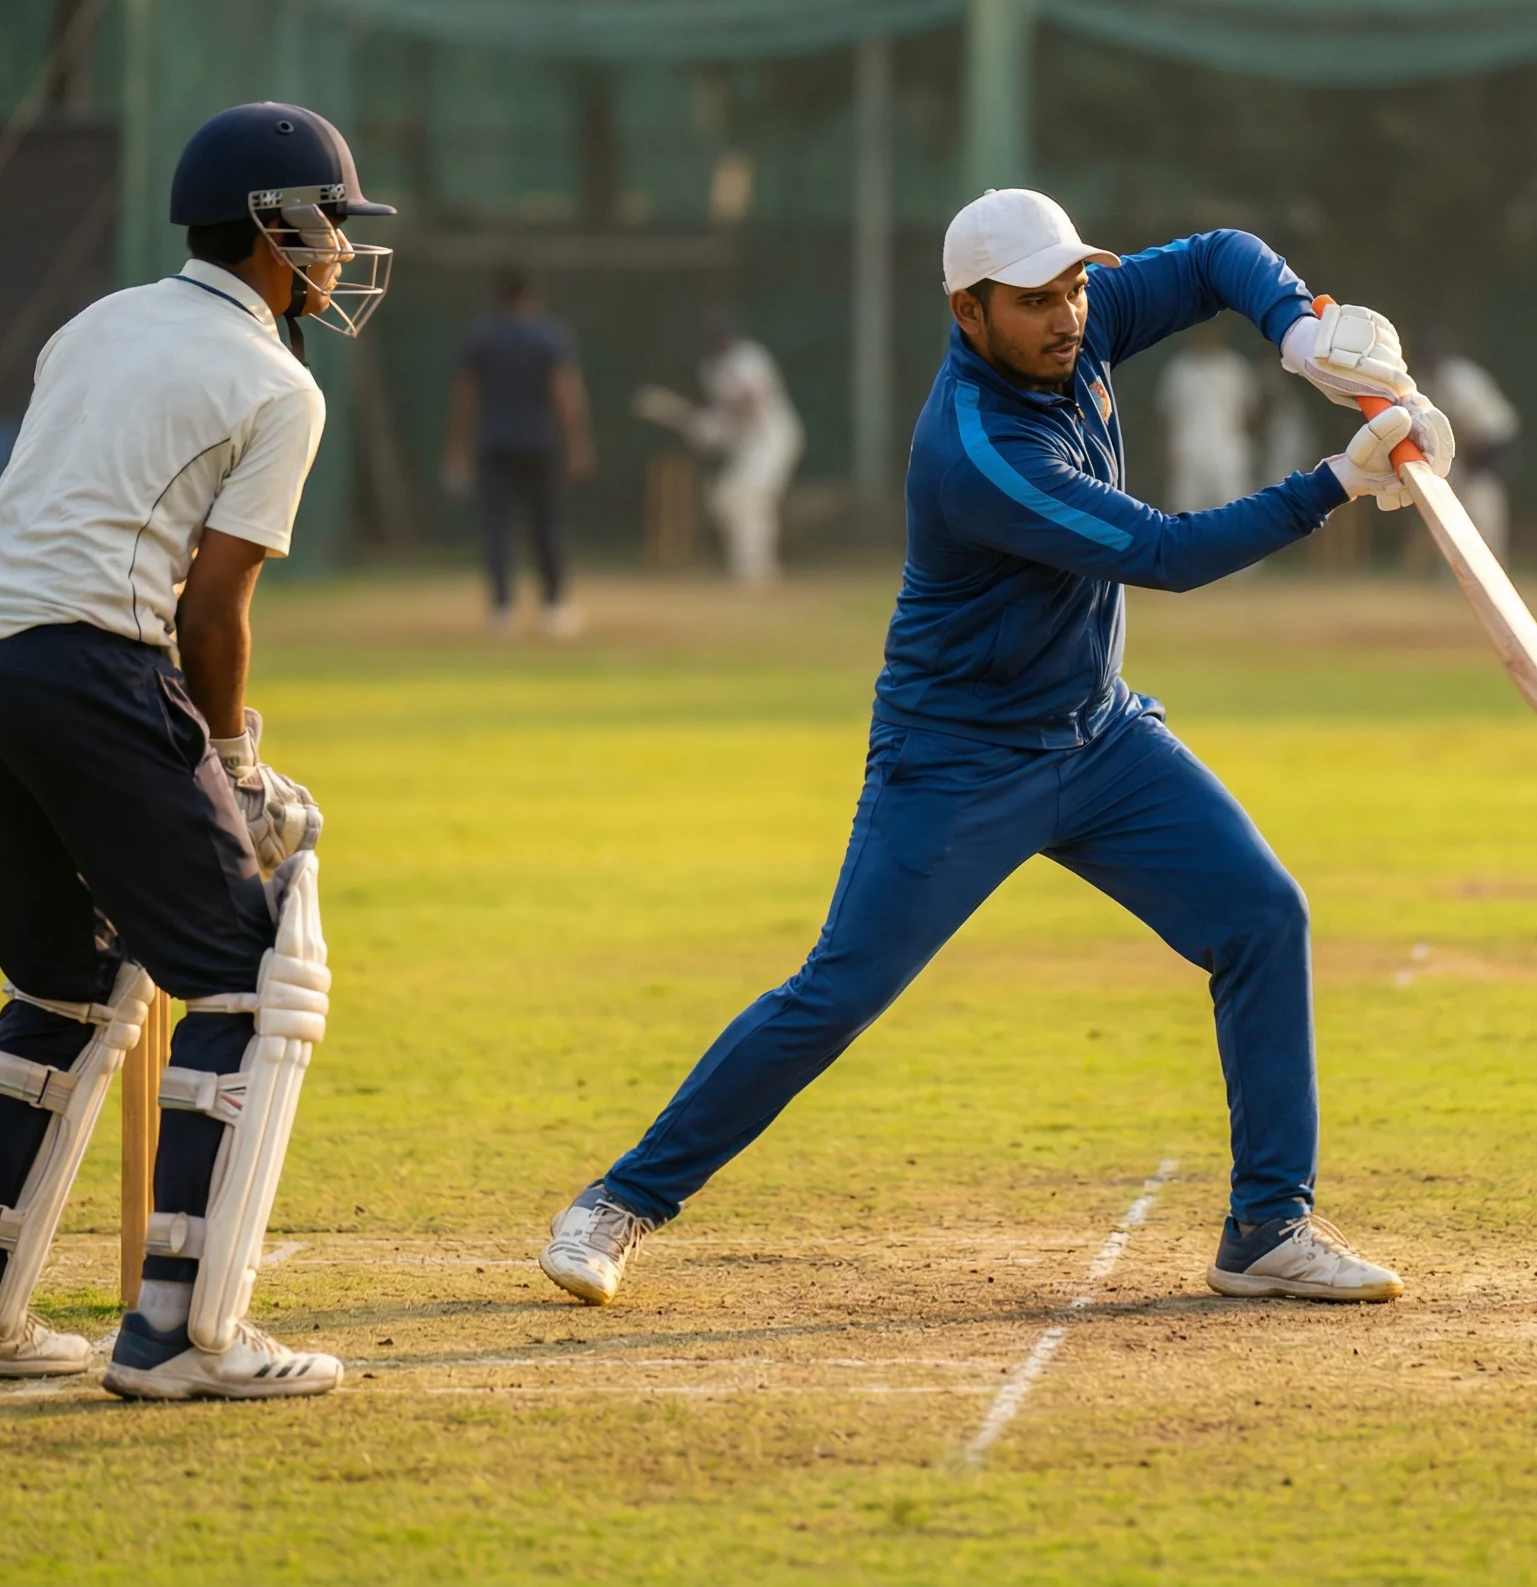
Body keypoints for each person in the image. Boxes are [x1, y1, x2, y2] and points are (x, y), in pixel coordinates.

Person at [539, 188, 1455, 1309]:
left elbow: (1218, 254)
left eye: (1074, 285)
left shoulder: (1077, 322)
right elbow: (1163, 554)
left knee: (1264, 917)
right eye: (1036, 300)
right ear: (970, 313)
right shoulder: (980, 450)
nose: (1070, 314)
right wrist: (1337, 483)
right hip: (959, 758)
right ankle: (619, 1201)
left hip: (1101, 733)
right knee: (837, 994)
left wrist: (1301, 326)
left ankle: (1268, 1225)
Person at [0, 102, 394, 1400]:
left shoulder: (96, 324)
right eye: (333, 221)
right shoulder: (280, 384)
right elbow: (210, 605)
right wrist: (227, 757)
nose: (341, 250)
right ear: (282, 226)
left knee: (64, 977)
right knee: (243, 977)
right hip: (88, 665)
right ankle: (182, 1335)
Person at [444, 267, 594, 636]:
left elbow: (466, 396)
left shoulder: (483, 336)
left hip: (494, 443)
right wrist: (578, 443)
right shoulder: (549, 335)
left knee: (498, 528)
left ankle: (502, 610)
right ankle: (554, 609)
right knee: (547, 526)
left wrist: (457, 449)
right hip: (540, 444)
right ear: (534, 295)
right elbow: (566, 392)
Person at [640, 311, 806, 583]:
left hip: (773, 439)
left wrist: (718, 422)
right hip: (747, 446)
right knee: (725, 499)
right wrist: (709, 429)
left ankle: (756, 570)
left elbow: (752, 399)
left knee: (747, 496)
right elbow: (727, 419)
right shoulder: (711, 370)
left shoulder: (749, 357)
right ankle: (752, 566)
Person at [1423, 337, 1520, 560]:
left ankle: (1491, 560)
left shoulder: (1458, 380)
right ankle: (1458, 563)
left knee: (1484, 498)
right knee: (1459, 499)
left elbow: (1472, 428)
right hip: (1467, 444)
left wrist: (1463, 459)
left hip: (1493, 440)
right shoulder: (1433, 382)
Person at [1156, 326, 1260, 512]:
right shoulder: (1179, 369)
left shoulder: (1234, 367)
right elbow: (1166, 417)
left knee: (1235, 512)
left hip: (1229, 452)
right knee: (1184, 513)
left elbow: (1252, 411)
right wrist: (1167, 452)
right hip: (1188, 452)